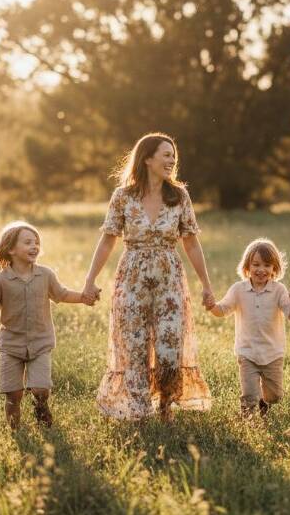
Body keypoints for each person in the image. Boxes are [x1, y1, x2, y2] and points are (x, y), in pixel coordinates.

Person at [82, 133, 214, 421]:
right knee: (135, 346)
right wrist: (90, 280)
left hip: (169, 279)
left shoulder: (179, 196)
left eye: (173, 155)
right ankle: (139, 410)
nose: (172, 160)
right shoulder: (123, 197)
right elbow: (108, 240)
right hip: (132, 278)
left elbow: (190, 241)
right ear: (147, 158)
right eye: (165, 154)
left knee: (169, 347)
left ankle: (166, 406)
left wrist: (206, 285)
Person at [0, 221, 96, 430]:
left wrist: (84, 297)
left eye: (36, 242)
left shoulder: (45, 275)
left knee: (41, 389)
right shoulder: (0, 281)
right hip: (11, 345)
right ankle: (15, 430)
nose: (34, 246)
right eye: (28, 242)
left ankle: (41, 408)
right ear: (11, 249)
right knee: (13, 394)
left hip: (40, 343)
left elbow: (62, 294)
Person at [207, 238, 290, 417]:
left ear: (274, 269)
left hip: (272, 353)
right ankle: (248, 420)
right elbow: (223, 310)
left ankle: (264, 403)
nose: (261, 270)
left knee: (274, 396)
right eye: (256, 264)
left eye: (267, 265)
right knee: (249, 394)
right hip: (247, 352)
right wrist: (212, 306)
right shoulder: (238, 290)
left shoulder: (279, 290)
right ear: (247, 268)